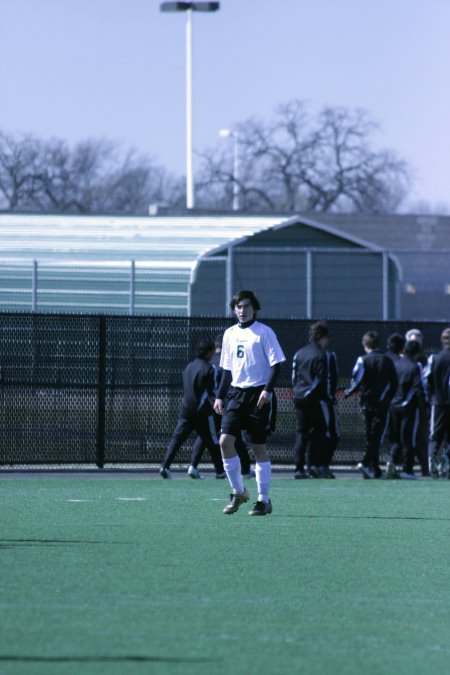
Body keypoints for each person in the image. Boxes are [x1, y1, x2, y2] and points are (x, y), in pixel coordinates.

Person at [214, 290, 286, 516]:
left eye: (245, 306)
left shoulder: (264, 332)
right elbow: (226, 369)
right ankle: (239, 492)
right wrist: (219, 395)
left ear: (254, 308)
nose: (241, 310)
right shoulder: (229, 334)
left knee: (258, 447)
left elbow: (276, 365)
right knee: (225, 441)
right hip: (236, 394)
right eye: (238, 306)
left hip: (258, 396)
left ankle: (264, 501)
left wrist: (267, 390)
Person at [188, 334, 253, 479]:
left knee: (205, 436)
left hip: (210, 406)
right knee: (235, 435)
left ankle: (193, 465)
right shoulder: (228, 361)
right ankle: (246, 470)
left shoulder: (209, 362)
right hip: (228, 403)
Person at [160, 338, 223, 479]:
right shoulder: (209, 368)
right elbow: (212, 392)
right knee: (213, 440)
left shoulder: (189, 366)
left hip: (186, 409)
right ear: (208, 352)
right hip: (202, 412)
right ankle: (220, 471)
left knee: (177, 439)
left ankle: (165, 466)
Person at [344, 330, 398, 479]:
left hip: (366, 404)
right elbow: (394, 383)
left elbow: (357, 379)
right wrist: (388, 398)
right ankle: (368, 463)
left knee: (371, 436)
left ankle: (373, 468)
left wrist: (348, 392)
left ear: (364, 344)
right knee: (377, 437)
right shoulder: (387, 360)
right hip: (382, 405)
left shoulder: (363, 359)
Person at [291, 321, 334, 479]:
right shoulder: (321, 354)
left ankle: (298, 468)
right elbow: (321, 379)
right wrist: (328, 397)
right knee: (320, 432)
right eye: (326, 337)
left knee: (302, 433)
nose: (327, 341)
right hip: (314, 399)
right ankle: (314, 466)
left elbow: (294, 378)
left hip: (298, 397)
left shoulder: (299, 353)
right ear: (321, 337)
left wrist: (298, 392)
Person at [387, 340, 427, 479]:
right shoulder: (415, 366)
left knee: (395, 438)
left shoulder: (395, 364)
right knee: (408, 439)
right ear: (417, 352)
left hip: (393, 406)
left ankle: (391, 463)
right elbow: (418, 388)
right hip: (408, 408)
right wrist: (424, 408)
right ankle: (407, 469)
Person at [423, 327, 450, 479]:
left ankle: (432, 457)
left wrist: (430, 397)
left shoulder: (434, 358)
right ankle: (446, 456)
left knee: (435, 435)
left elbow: (426, 379)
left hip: (438, 403)